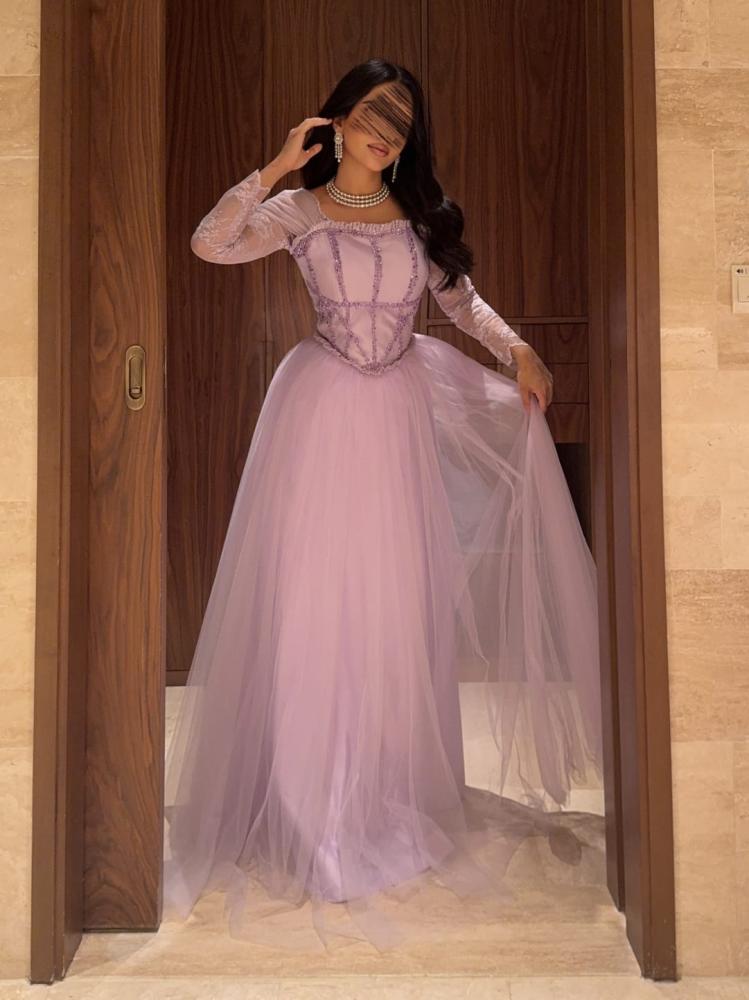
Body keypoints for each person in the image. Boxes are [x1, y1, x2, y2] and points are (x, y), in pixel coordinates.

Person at [163, 59, 603, 951]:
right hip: (320, 411)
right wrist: (277, 165)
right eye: (370, 115)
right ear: (337, 121)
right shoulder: (298, 211)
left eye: (399, 123)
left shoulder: (419, 219)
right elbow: (212, 243)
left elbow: (461, 305)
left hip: (395, 414)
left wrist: (518, 350)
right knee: (314, 602)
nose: (383, 134)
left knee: (394, 605)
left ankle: (386, 786)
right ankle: (307, 798)